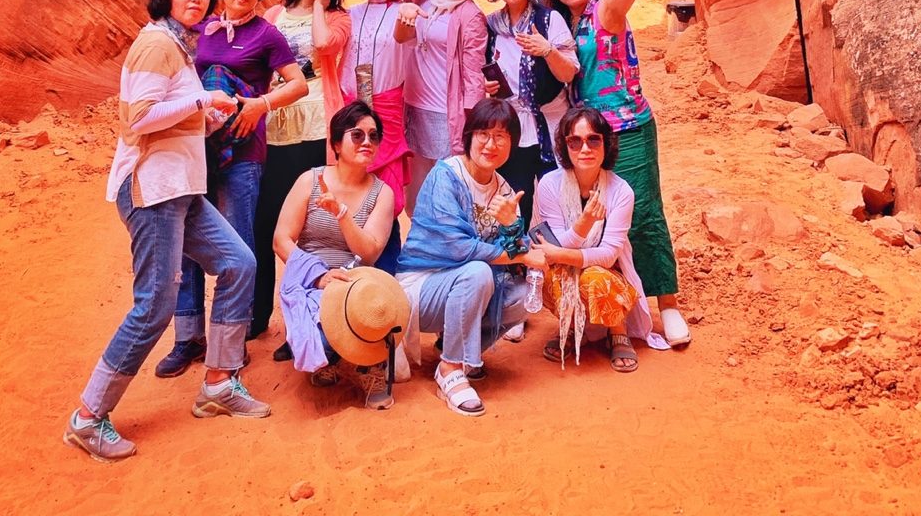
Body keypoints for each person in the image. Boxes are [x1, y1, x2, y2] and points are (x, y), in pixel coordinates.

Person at [65, 0, 270, 462]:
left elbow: (172, 120)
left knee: (238, 263)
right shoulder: (156, 43)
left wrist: (208, 115)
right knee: (155, 305)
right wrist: (202, 101)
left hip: (181, 189)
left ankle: (218, 384)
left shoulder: (179, 45)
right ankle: (88, 417)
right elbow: (138, 119)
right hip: (152, 191)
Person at [155, 0, 307, 378]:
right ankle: (188, 337)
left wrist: (261, 104)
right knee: (185, 240)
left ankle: (230, 341)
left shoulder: (267, 34)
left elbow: (297, 84)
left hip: (243, 152)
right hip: (195, 150)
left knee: (237, 246)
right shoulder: (198, 29)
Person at [545, 0, 690, 347]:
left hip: (627, 129)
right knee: (596, 218)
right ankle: (618, 307)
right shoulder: (563, 27)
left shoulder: (605, 11)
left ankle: (667, 304)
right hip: (585, 137)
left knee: (643, 214)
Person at [396, 98, 548, 416]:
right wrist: (519, 256)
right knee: (477, 271)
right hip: (421, 288)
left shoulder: (504, 191)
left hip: (465, 290)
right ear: (469, 136)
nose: (491, 144)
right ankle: (450, 369)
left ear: (512, 144)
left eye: (501, 136)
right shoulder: (445, 176)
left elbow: (517, 246)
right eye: (483, 134)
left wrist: (512, 225)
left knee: (525, 293)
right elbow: (458, 249)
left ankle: (457, 348)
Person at [253, 0, 351, 346]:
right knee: (264, 225)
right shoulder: (273, 15)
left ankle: (305, 324)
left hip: (316, 131)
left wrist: (318, 5)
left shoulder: (338, 17)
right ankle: (256, 314)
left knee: (309, 231)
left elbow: (325, 45)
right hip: (274, 131)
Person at [273, 101, 400, 409]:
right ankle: (330, 356)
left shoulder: (382, 193)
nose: (367, 142)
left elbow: (369, 251)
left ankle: (370, 366)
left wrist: (341, 214)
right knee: (321, 341)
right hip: (309, 282)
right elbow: (281, 240)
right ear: (337, 144)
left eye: (373, 136)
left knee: (367, 311)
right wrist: (318, 276)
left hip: (355, 281)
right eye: (357, 135)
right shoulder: (310, 181)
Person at [391, 0, 488, 210]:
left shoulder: (470, 16)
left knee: (446, 190)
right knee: (416, 190)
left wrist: (474, 122)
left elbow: (474, 74)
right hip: (412, 106)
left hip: (444, 113)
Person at [532, 105, 652, 370]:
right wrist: (583, 225)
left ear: (606, 144)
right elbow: (555, 242)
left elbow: (608, 256)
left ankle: (617, 330)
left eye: (593, 140)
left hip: (608, 272)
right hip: (565, 268)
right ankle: (572, 326)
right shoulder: (550, 184)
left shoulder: (621, 191)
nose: (584, 148)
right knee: (553, 277)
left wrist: (559, 254)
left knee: (594, 277)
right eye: (574, 141)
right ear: (564, 147)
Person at [482, 0, 578, 228]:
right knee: (515, 201)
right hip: (511, 129)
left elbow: (569, 73)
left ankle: (561, 253)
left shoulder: (548, 19)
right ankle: (518, 253)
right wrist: (486, 84)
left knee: (560, 201)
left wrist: (547, 50)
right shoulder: (491, 26)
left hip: (551, 125)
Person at [339, 0, 417, 263]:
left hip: (387, 113)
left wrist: (407, 12)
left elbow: (404, 36)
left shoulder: (407, 13)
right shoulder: (349, 14)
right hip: (348, 110)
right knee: (350, 188)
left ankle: (385, 275)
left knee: (384, 192)